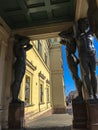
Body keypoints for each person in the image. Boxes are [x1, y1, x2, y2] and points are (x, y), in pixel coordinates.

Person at [59, 27, 83, 100]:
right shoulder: (69, 41)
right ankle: (80, 93)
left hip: (71, 57)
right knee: (74, 76)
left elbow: (60, 34)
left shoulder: (71, 39)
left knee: (75, 77)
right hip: (72, 57)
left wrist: (69, 30)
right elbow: (61, 42)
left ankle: (80, 94)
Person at [77, 18, 97, 100]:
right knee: (86, 74)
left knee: (93, 73)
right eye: (81, 25)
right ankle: (90, 94)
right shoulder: (78, 35)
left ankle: (95, 93)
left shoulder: (91, 32)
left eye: (84, 24)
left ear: (87, 25)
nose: (83, 26)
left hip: (92, 54)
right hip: (83, 55)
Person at [11, 34, 32, 103]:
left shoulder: (23, 49)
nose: (25, 43)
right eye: (24, 42)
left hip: (23, 65)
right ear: (21, 41)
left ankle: (16, 97)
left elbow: (30, 46)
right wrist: (24, 41)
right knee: (17, 81)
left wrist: (27, 42)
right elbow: (20, 44)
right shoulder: (17, 46)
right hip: (19, 65)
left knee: (19, 82)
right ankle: (14, 98)